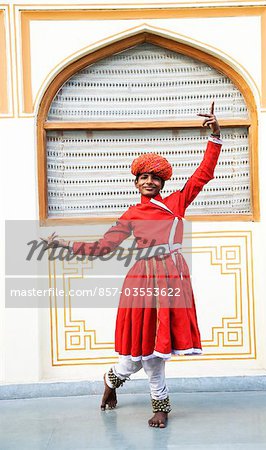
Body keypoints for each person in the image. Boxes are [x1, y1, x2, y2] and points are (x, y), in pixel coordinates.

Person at [43, 102, 222, 428]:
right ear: (136, 182)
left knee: (151, 352)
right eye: (144, 177)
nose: (149, 181)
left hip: (172, 277)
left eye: (155, 177)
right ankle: (151, 400)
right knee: (144, 351)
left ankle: (115, 383)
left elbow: (204, 174)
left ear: (162, 182)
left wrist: (215, 135)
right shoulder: (130, 215)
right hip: (141, 279)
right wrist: (64, 245)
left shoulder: (176, 203)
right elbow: (101, 247)